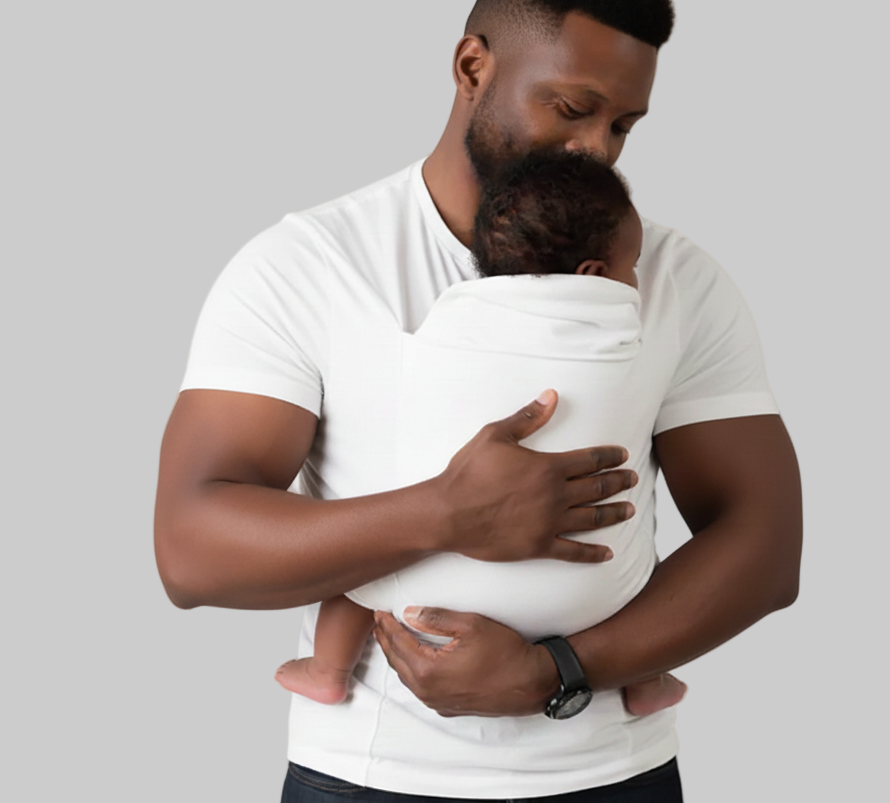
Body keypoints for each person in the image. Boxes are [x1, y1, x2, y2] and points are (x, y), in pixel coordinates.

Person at [154, 0, 801, 803]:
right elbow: (190, 551)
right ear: (471, 67)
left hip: (614, 794)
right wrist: (448, 513)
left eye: (623, 126)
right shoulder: (310, 266)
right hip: (370, 801)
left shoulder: (672, 278)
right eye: (572, 109)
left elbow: (766, 544)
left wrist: (556, 672)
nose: (597, 150)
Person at [274, 149, 687, 718]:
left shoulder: (443, 324)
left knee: (359, 553)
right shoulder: (626, 339)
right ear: (594, 275)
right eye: (633, 264)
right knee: (637, 540)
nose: (638, 280)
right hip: (593, 599)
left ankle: (328, 670)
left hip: (420, 599)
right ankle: (644, 679)